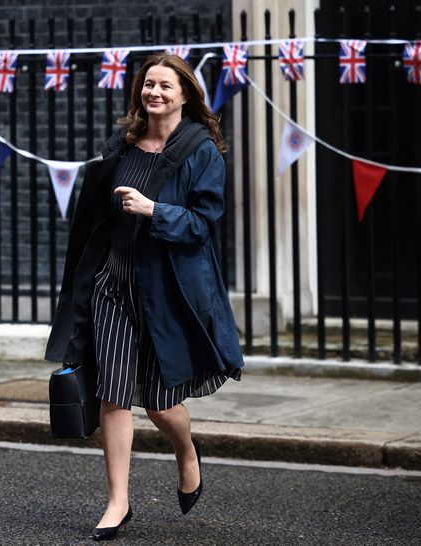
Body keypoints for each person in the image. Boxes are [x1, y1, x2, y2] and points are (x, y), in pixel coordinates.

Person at [44, 52, 244, 541]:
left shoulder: (200, 150)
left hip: (166, 289)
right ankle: (117, 503)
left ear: (184, 94)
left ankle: (186, 451)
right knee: (113, 394)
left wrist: (154, 209)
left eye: (165, 86)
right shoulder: (124, 142)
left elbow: (202, 224)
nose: (154, 92)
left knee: (158, 403)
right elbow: (98, 212)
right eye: (148, 84)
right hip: (114, 284)